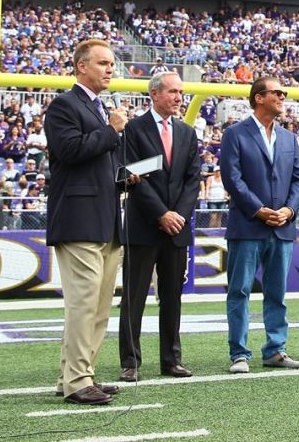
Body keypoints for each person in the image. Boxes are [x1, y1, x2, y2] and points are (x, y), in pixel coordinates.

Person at [43, 39, 128, 405]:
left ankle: (77, 376)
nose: (111, 69)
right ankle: (78, 380)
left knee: (99, 305)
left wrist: (126, 178)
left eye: (112, 64)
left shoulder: (98, 107)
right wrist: (110, 131)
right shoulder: (65, 105)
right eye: (104, 63)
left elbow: (99, 167)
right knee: (83, 303)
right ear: (81, 66)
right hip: (79, 220)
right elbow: (69, 151)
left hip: (106, 220)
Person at [219, 78, 299, 372]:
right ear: (259, 98)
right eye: (277, 93)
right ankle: (239, 353)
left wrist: (289, 210)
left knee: (277, 293)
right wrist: (258, 210)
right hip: (248, 226)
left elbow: (298, 180)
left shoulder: (288, 138)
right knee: (240, 291)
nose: (283, 97)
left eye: (284, 92)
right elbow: (232, 178)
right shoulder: (235, 133)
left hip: (281, 226)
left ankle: (275, 350)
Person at [117, 72, 199, 382]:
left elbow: (192, 180)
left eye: (181, 91)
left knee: (172, 296)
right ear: (154, 94)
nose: (179, 97)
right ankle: (130, 361)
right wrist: (162, 214)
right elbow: (134, 177)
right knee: (134, 296)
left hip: (177, 228)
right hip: (144, 225)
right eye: (173, 91)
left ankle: (171, 359)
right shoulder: (133, 129)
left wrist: (178, 214)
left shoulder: (186, 132)